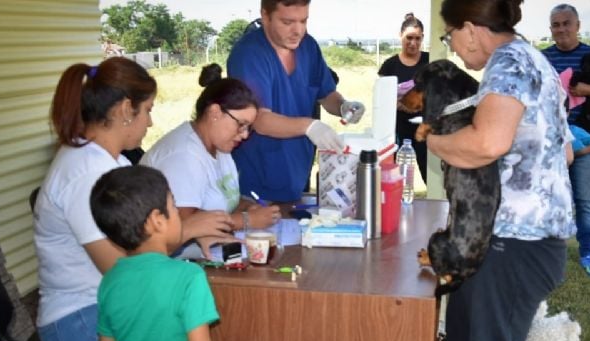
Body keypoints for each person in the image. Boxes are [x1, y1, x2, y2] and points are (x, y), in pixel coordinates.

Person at [426, 0, 576, 341]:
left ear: (471, 29)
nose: (451, 45)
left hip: (520, 242)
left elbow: (487, 142)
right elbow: (562, 151)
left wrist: (434, 141)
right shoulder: (532, 59)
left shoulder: (509, 63)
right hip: (508, 237)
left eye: (450, 33)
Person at [34, 57, 235, 341]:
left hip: (106, 307)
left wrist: (190, 231)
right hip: (81, 318)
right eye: (148, 110)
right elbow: (122, 270)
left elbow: (139, 247)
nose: (150, 123)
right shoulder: (86, 173)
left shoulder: (113, 164)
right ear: (126, 110)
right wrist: (186, 229)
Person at [91, 165, 285, 341]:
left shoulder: (110, 281)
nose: (179, 212)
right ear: (157, 220)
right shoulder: (188, 277)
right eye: (173, 204)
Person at [227, 0, 366, 202]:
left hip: (296, 176)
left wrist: (343, 106)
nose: (298, 31)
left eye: (303, 20)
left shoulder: (308, 47)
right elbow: (259, 120)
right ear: (265, 16)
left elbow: (325, 93)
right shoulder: (249, 55)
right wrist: (310, 126)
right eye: (287, 22)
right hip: (256, 183)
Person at [141, 64, 282, 254]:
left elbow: (222, 198)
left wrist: (249, 206)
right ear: (215, 112)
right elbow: (184, 225)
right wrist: (247, 220)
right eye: (241, 125)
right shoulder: (184, 157)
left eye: (248, 127)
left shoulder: (220, 147)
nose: (245, 135)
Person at [542, 3, 590, 278]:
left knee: (584, 199)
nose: (561, 29)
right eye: (556, 24)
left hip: (584, 137)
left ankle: (588, 251)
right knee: (549, 197)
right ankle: (548, 253)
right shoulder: (541, 58)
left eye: (566, 23)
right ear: (550, 29)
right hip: (550, 140)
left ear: (578, 26)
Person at [378, 13, 430, 184]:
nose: (413, 43)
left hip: (425, 128)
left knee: (430, 172)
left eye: (418, 38)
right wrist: (400, 105)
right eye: (409, 38)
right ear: (400, 36)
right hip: (397, 129)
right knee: (395, 176)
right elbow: (381, 98)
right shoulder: (390, 65)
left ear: (422, 38)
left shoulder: (430, 61)